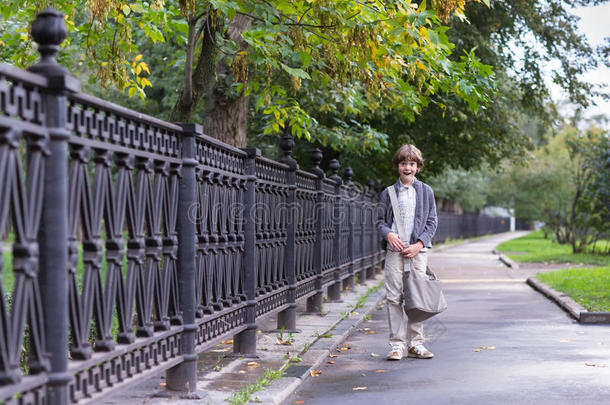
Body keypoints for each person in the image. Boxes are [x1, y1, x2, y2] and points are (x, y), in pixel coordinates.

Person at [377, 144, 438, 361]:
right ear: (397, 166)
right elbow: (381, 221)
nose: (408, 168)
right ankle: (396, 345)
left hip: (418, 252)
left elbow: (432, 221)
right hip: (395, 252)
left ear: (418, 167)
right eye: (404, 163)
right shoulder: (389, 193)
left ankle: (416, 344)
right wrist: (388, 235)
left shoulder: (426, 191)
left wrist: (419, 244)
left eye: (412, 164)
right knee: (394, 297)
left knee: (416, 297)